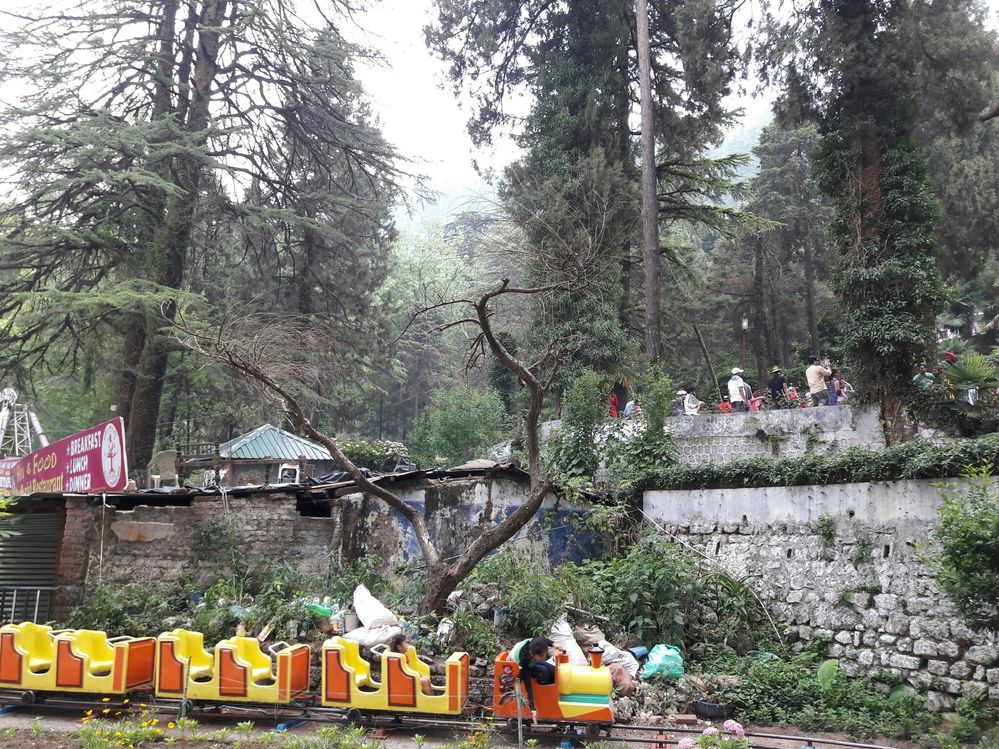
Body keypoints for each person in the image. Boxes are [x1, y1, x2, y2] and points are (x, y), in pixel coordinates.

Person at [509, 636, 557, 725]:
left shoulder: (537, 643)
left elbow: (544, 640)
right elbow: (528, 685)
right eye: (541, 655)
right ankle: (545, 699)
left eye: (545, 654)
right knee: (544, 672)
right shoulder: (525, 660)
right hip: (520, 664)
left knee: (554, 671)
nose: (544, 657)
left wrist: (555, 644)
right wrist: (533, 708)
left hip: (530, 656)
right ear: (533, 654)